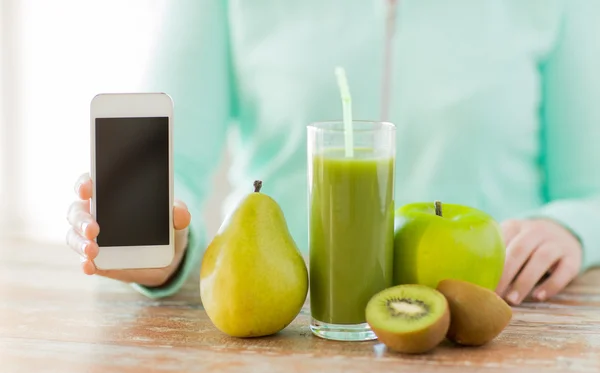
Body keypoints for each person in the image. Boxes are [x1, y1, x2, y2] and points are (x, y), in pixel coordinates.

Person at [66, 0, 600, 306]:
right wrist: (166, 245)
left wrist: (571, 228)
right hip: (279, 330)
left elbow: (591, 192)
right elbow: (169, 165)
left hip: (492, 324)